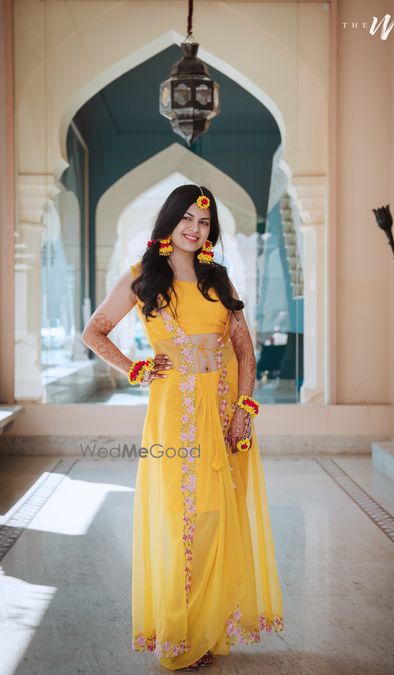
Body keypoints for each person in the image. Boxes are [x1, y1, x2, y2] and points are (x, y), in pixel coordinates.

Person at [82, 184, 284, 671]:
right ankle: (179, 633)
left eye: (204, 222)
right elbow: (94, 330)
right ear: (170, 223)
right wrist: (134, 368)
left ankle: (208, 626)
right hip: (173, 415)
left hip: (221, 416)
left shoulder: (219, 281)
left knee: (217, 517)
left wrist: (244, 412)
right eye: (187, 219)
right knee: (179, 521)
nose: (195, 229)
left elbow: (244, 352)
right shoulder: (143, 277)